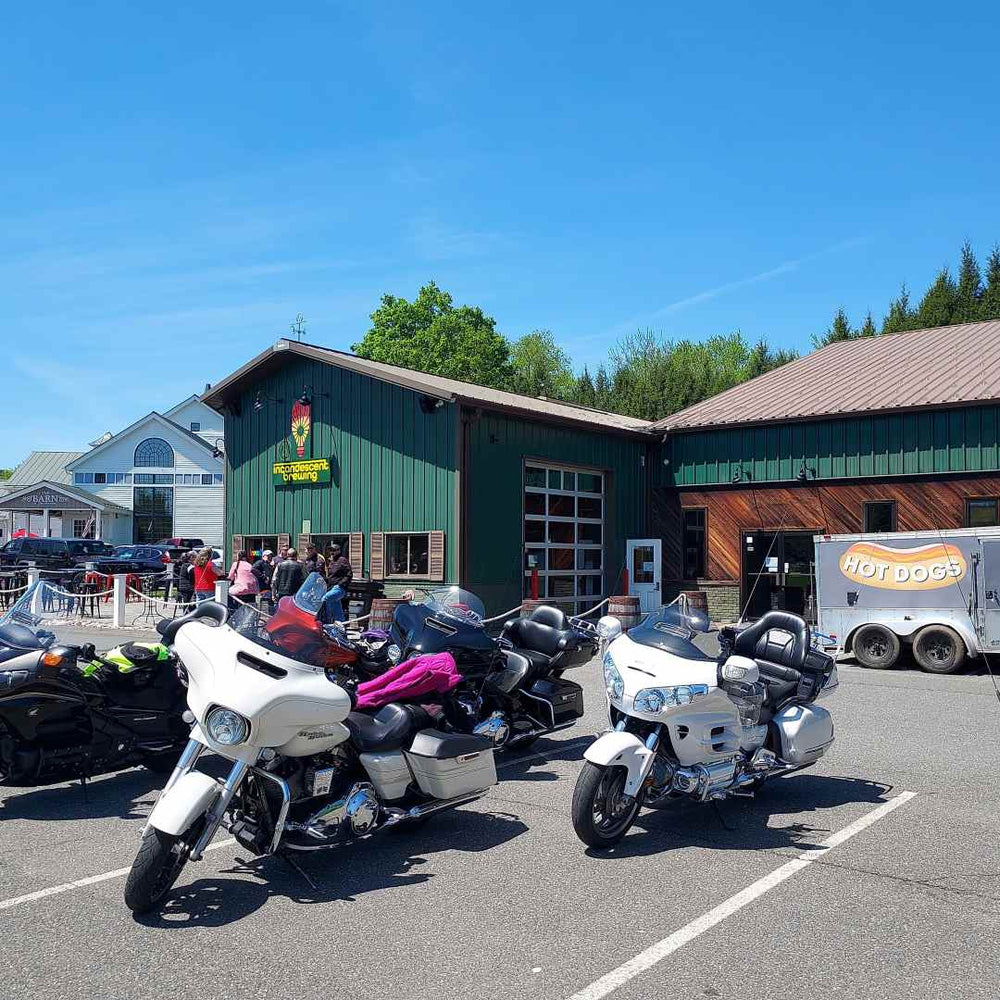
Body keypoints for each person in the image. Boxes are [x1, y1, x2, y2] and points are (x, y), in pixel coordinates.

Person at [320, 543, 353, 623]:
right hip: (331, 588)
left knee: (324, 599)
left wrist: (340, 584)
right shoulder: (332, 562)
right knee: (337, 610)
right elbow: (331, 576)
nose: (332, 552)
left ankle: (327, 622)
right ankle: (341, 626)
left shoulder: (342, 560)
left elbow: (349, 574)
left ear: (339, 551)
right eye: (331, 550)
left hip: (339, 589)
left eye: (334, 550)